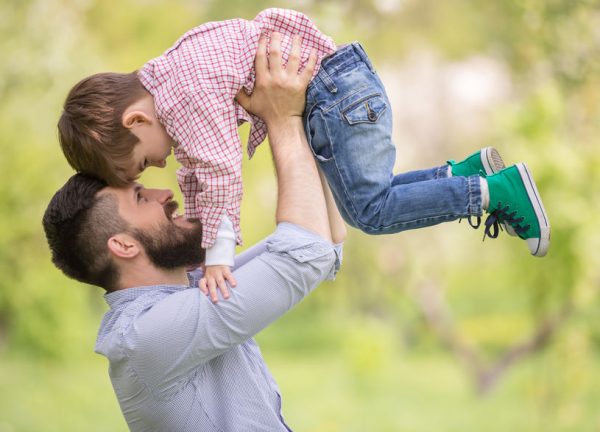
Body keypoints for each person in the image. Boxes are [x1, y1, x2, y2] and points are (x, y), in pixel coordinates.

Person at [57, 9, 550, 298]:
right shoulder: (173, 72)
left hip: (332, 96)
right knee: (365, 196)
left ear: (136, 122)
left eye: (144, 161)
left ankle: (493, 192)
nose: (158, 166)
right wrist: (201, 232)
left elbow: (219, 172)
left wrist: (217, 256)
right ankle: (461, 173)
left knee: (371, 215)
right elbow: (196, 168)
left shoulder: (181, 100)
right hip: (340, 86)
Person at [43, 41, 345, 431]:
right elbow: (307, 253)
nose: (165, 193)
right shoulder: (146, 338)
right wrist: (281, 119)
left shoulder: (192, 289)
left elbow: (323, 245)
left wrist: (296, 118)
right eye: (140, 196)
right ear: (123, 244)